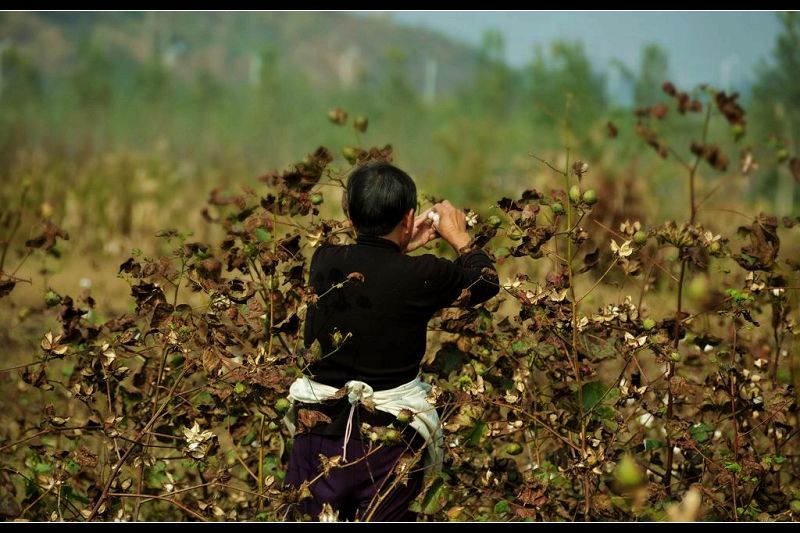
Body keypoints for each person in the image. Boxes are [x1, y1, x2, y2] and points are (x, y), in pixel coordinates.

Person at [284, 161, 499, 521]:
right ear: (409, 216)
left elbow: (372, 266)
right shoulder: (423, 274)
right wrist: (460, 236)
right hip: (389, 443)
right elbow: (486, 281)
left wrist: (398, 244)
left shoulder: (324, 262)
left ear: (349, 215)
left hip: (319, 433)